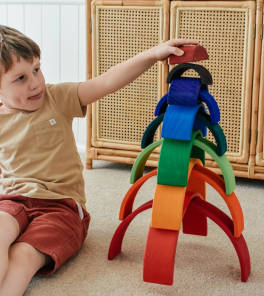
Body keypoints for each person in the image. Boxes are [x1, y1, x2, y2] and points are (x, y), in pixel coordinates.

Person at [0, 24, 199, 295]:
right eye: (20, 78)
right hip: (12, 201)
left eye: (36, 69)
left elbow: (106, 82)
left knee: (22, 257)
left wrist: (152, 54)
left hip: (61, 208)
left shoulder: (56, 98)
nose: (35, 82)